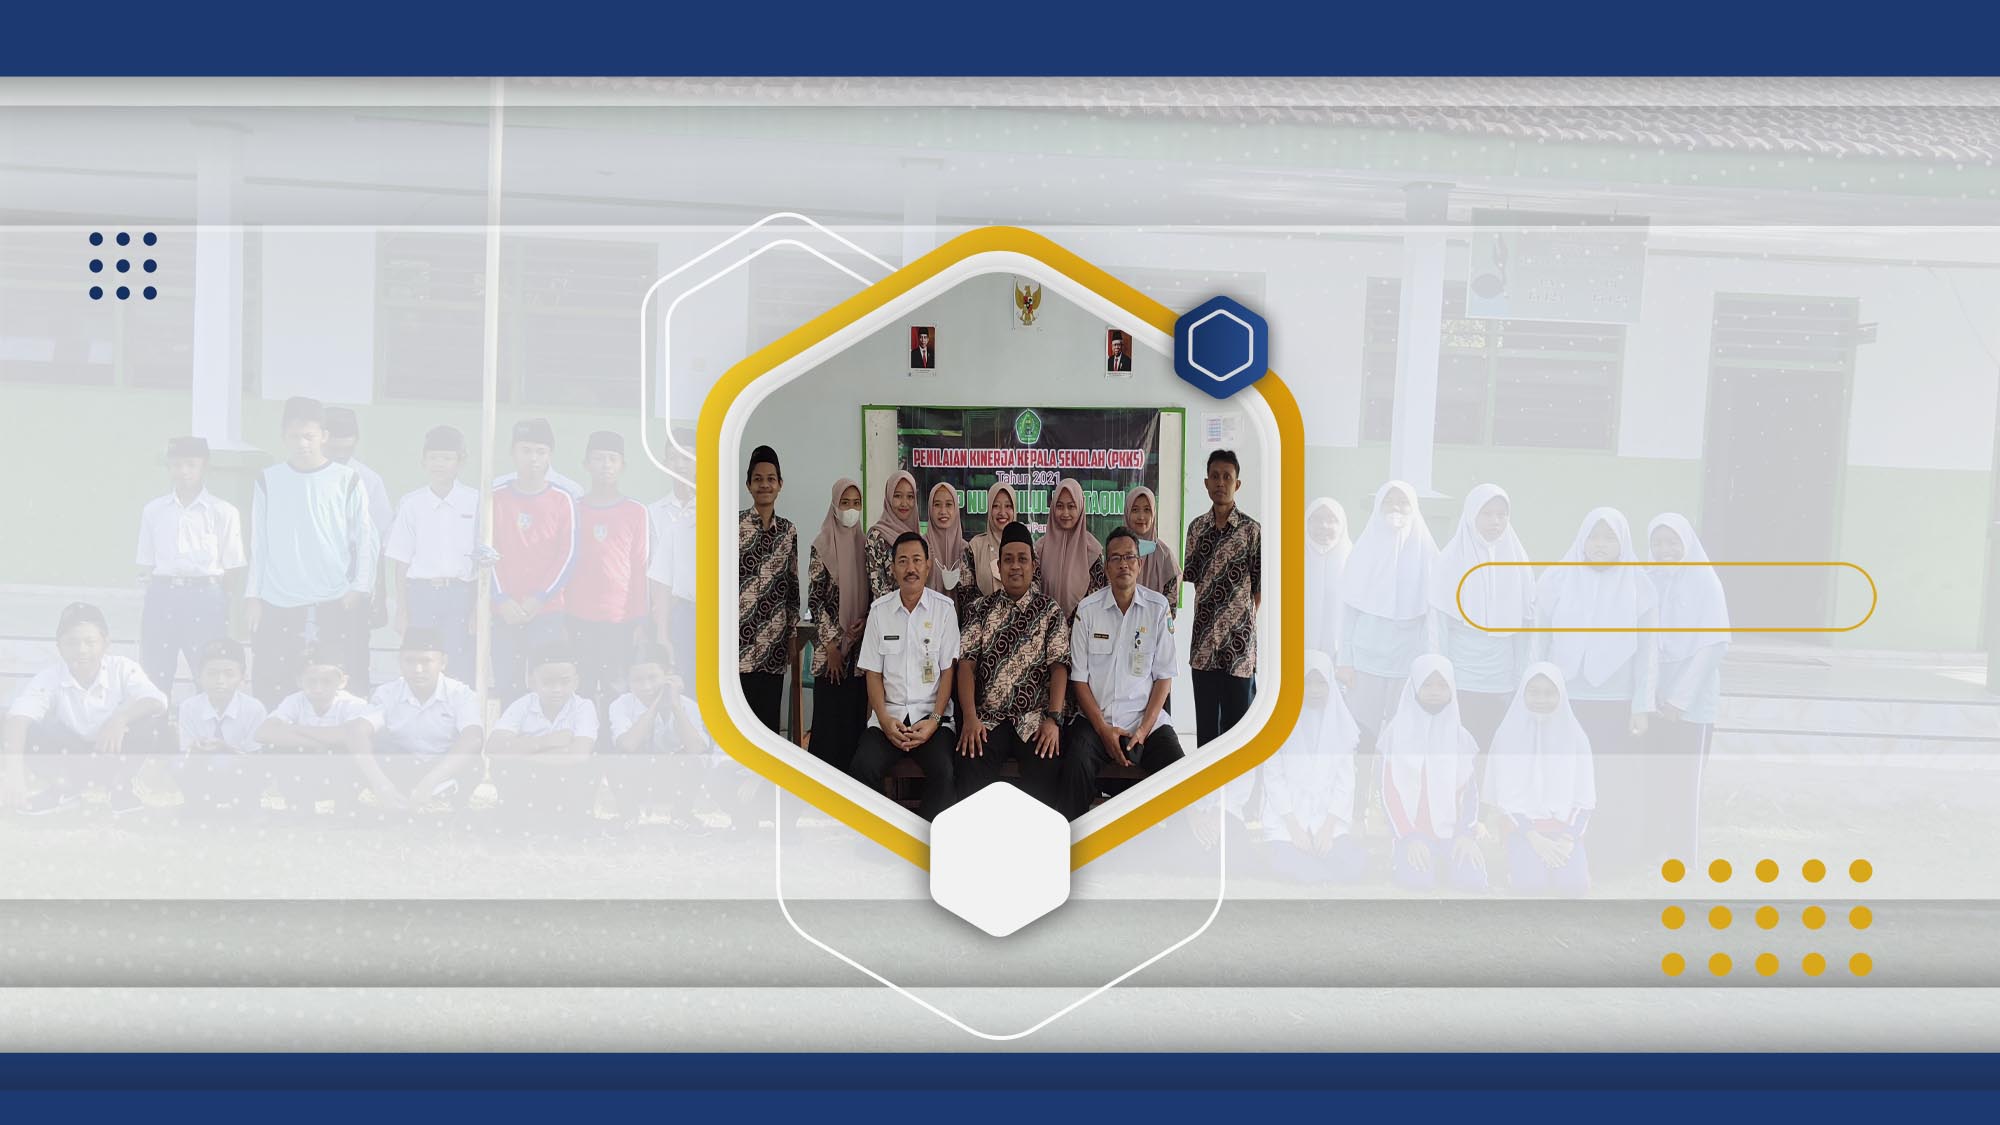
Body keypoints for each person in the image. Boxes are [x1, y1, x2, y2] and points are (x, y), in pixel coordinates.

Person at [1533, 508, 1658, 879]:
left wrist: (1641, 705)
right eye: (1594, 536)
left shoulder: (1639, 585)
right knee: (1563, 777)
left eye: (1609, 538)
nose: (1600, 545)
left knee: (1610, 780)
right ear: (1582, 539)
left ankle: (1610, 856)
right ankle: (1560, 851)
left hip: (1615, 702)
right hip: (1563, 699)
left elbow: (1648, 651)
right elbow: (1538, 640)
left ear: (1623, 543)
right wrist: (1535, 693)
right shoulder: (1556, 578)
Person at [244, 396, 379, 705]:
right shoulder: (268, 480)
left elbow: (365, 537)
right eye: (294, 436)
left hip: (334, 598)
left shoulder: (347, 479)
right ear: (283, 437)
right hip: (278, 598)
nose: (302, 443)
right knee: (275, 686)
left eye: (309, 436)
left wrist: (360, 587)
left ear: (323, 436)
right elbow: (259, 543)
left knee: (337, 689)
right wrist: (253, 595)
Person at [1060, 526, 1183, 818]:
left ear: (1139, 564)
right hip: (1096, 722)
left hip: (1146, 724)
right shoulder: (1087, 610)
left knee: (1180, 775)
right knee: (1074, 766)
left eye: (1129, 557)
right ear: (1106, 567)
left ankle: (1172, 843)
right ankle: (1070, 842)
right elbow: (1079, 680)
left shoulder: (1157, 608)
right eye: (1115, 558)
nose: (1123, 564)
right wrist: (1103, 730)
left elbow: (1163, 678)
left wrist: (1142, 730)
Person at [2, 602, 168, 816]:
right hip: (71, 758)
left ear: (106, 643)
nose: (81, 650)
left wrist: (120, 719)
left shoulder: (122, 668)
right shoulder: (50, 677)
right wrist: (13, 771)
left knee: (150, 723)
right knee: (27, 730)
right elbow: (18, 717)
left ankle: (120, 788)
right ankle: (64, 791)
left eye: (90, 642)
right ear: (59, 647)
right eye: (71, 643)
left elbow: (156, 700)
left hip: (113, 753)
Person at [955, 523, 1070, 810]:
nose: (1015, 566)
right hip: (987, 720)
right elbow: (966, 666)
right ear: (998, 567)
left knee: (1048, 763)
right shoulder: (979, 609)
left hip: (1033, 719)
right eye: (1008, 559)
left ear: (1033, 565)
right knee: (969, 760)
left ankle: (1036, 837)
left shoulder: (1050, 610)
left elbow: (1059, 667)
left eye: (1022, 559)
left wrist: (1053, 720)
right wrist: (969, 718)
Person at [849, 532, 961, 820]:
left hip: (932, 719)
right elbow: (872, 673)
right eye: (903, 561)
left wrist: (934, 721)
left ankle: (925, 837)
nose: (911, 568)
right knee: (863, 767)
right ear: (893, 568)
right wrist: (885, 722)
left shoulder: (944, 610)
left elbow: (948, 672)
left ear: (928, 566)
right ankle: (883, 835)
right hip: (889, 718)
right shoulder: (879, 612)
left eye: (917, 560)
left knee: (945, 771)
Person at [1645, 513, 1730, 866]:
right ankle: (1650, 850)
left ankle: (1683, 857)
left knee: (1684, 783)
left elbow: (1714, 644)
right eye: (1657, 543)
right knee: (1653, 781)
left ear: (1687, 544)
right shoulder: (1648, 580)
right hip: (1653, 700)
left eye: (1672, 542)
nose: (1665, 550)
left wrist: (1680, 700)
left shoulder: (1705, 581)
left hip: (1691, 706)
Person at [135, 436, 245, 697]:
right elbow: (148, 563)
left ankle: (208, 722)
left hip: (206, 596)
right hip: (163, 594)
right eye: (176, 465)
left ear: (204, 466)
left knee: (207, 668)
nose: (183, 471)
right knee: (155, 670)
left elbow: (232, 567)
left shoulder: (223, 511)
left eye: (190, 464)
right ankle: (156, 722)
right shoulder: (154, 510)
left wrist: (219, 599)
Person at [1431, 484, 1534, 755]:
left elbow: (1525, 629)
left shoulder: (1518, 560)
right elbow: (1438, 628)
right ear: (1471, 515)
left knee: (1495, 755)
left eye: (1502, 514)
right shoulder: (1449, 561)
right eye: (1486, 514)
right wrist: (1441, 678)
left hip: (1503, 682)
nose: (1495, 521)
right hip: (1461, 680)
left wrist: (1521, 676)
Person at [1337, 481, 1437, 742]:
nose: (1396, 508)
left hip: (1408, 660)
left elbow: (1433, 616)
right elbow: (1348, 612)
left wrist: (1429, 661)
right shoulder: (1362, 552)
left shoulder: (1427, 552)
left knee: (1402, 733)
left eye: (1403, 502)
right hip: (1365, 660)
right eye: (1389, 502)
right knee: (1362, 732)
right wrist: (1345, 661)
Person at [1379, 654, 1487, 892]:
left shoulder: (1461, 738)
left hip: (1452, 834)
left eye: (1442, 685)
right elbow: (1388, 792)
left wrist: (1465, 834)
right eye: (1427, 685)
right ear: (1414, 686)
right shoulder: (1395, 734)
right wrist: (1409, 836)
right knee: (1417, 883)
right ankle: (1414, 862)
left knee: (1473, 882)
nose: (1434, 692)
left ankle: (1445, 864)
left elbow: (1470, 793)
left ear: (1452, 689)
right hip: (1412, 833)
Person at [1485, 663, 1596, 896]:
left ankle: (1565, 866)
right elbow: (1505, 798)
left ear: (1561, 695)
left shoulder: (1576, 737)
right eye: (1534, 692)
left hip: (1564, 828)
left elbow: (1585, 797)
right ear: (1522, 694)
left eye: (1549, 693)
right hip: (1521, 827)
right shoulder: (1507, 735)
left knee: (1574, 887)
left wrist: (1568, 838)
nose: (1541, 699)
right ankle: (1516, 865)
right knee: (1530, 886)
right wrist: (1534, 838)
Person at [1257, 651, 1365, 884]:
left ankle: (1316, 863)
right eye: (1308, 682)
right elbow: (1274, 780)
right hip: (1287, 822)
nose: (1314, 690)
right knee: (1297, 868)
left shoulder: (1342, 730)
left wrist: (1327, 829)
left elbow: (1345, 785)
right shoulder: (1278, 725)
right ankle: (1311, 867)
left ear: (1331, 685)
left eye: (1321, 683)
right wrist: (1294, 829)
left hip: (1326, 821)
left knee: (1354, 866)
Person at [491, 418, 578, 701]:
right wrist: (501, 599)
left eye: (541, 451)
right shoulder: (495, 497)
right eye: (526, 450)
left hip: (547, 611)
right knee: (508, 686)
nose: (533, 458)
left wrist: (539, 598)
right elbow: (485, 553)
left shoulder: (563, 499)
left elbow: (567, 555)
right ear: (513, 453)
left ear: (550, 455)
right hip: (504, 611)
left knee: (548, 686)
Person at [384, 425, 478, 681]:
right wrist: (402, 610)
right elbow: (401, 561)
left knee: (460, 664)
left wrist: (478, 609)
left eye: (447, 458)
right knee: (421, 662)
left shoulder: (476, 502)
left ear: (460, 462)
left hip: (461, 594)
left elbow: (485, 562)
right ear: (423, 461)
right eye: (433, 457)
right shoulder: (411, 504)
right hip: (421, 595)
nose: (439, 464)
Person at [567, 432, 650, 716]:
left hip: (620, 619)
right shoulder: (573, 509)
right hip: (578, 616)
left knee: (618, 689)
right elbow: (563, 562)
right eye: (598, 458)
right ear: (586, 464)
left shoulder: (636, 511)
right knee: (582, 688)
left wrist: (640, 620)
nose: (605, 465)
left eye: (612, 459)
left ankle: (613, 740)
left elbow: (640, 567)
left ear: (622, 465)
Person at [1183, 450, 1262, 747]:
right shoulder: (1196, 529)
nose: (1220, 482)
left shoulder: (1251, 531)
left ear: (1237, 484)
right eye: (1214, 476)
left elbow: (1258, 588)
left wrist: (1237, 622)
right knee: (1206, 733)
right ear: (1205, 483)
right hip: (1204, 647)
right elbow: (1193, 580)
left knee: (1238, 733)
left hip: (1239, 650)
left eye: (1227, 477)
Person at [610, 644, 734, 831]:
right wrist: (656, 703)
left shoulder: (688, 705)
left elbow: (697, 749)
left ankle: (681, 815)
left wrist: (675, 706)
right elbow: (628, 745)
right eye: (637, 680)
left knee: (695, 760)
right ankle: (628, 816)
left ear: (668, 675)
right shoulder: (621, 704)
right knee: (618, 759)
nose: (646, 686)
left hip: (675, 775)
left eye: (653, 678)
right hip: (639, 774)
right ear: (628, 680)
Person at [359, 628, 484, 811]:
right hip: (403, 765)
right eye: (409, 661)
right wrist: (380, 783)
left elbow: (473, 738)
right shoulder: (386, 693)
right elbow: (358, 732)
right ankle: (404, 801)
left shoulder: (460, 694)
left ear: (443, 662)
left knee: (473, 762)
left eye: (426, 661)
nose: (418, 670)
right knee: (367, 749)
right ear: (399, 662)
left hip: (444, 765)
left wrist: (430, 781)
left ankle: (447, 804)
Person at [486, 643, 601, 828]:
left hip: (565, 782)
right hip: (531, 781)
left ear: (576, 682)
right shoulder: (522, 705)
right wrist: (546, 741)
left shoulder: (584, 707)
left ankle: (572, 821)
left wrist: (521, 753)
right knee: (501, 765)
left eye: (565, 682)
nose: (557, 689)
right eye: (548, 683)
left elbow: (579, 754)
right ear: (532, 683)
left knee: (591, 763)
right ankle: (520, 819)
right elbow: (493, 747)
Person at [255, 643, 374, 816]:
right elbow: (263, 733)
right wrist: (319, 743)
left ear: (342, 682)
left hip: (339, 769)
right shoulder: (295, 701)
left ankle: (345, 805)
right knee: (276, 749)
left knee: (351, 751)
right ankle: (300, 805)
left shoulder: (353, 705)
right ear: (299, 681)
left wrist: (294, 729)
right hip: (307, 768)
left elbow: (351, 736)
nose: (318, 688)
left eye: (326, 681)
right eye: (311, 681)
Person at [805, 478, 870, 773]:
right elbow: (815, 600)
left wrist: (865, 623)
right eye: (845, 503)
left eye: (856, 503)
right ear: (834, 505)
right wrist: (832, 646)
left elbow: (873, 593)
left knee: (854, 724)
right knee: (829, 725)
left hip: (860, 650)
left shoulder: (866, 545)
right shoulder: (821, 546)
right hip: (830, 653)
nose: (851, 509)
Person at [323, 406, 394, 673]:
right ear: (322, 439)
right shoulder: (303, 477)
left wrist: (379, 592)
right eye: (335, 449)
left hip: (354, 577)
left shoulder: (369, 480)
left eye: (347, 449)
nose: (341, 456)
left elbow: (381, 539)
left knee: (354, 651)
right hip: (312, 578)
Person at [738, 444, 799, 737]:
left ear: (780, 484)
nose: (765, 485)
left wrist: (791, 635)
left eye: (771, 479)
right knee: (740, 725)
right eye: (758, 479)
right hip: (738, 644)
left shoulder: (788, 531)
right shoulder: (732, 525)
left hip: (774, 645)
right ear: (748, 485)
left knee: (769, 727)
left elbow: (792, 585)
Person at [174, 637, 268, 815]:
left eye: (229, 674)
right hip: (204, 770)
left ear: (243, 677)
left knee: (231, 764)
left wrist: (225, 748)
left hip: (242, 774)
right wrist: (196, 749)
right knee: (176, 764)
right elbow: (186, 752)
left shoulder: (254, 708)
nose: (220, 680)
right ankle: (199, 803)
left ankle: (247, 803)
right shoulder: (189, 707)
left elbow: (256, 759)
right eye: (212, 673)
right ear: (199, 676)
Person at [647, 439, 699, 671]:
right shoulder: (661, 517)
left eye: (686, 458)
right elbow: (659, 577)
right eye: (673, 458)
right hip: (679, 612)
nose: (680, 465)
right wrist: (661, 630)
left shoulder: (722, 515)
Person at [1036, 477, 1106, 619]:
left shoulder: (1092, 550)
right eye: (1060, 506)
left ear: (1080, 507)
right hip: (1045, 625)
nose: (1065, 513)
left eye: (1071, 506)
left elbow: (1099, 597)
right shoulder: (1039, 549)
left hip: (1083, 626)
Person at [958, 481, 1020, 622]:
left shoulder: (1025, 547)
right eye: (995, 506)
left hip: (1020, 626)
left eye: (1008, 506)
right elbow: (965, 594)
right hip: (981, 626)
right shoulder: (975, 547)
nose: (1002, 512)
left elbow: (1033, 590)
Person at [1302, 497, 1352, 660]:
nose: (1324, 526)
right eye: (1317, 519)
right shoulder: (1291, 559)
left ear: (1342, 525)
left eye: (1331, 520)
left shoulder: (1354, 560)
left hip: (1342, 655)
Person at [865, 469, 921, 600]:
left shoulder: (917, 536)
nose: (904, 503)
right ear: (889, 497)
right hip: (888, 610)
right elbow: (878, 588)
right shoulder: (876, 537)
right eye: (897, 496)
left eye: (910, 497)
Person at [1124, 485, 1181, 608]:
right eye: (1135, 510)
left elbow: (1170, 607)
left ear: (1154, 513)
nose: (1141, 517)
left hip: (1156, 619)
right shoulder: (1117, 550)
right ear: (1127, 512)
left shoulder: (1164, 555)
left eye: (1147, 510)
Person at [924, 482, 969, 598]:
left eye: (948, 504)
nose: (943, 511)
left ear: (956, 509)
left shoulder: (966, 549)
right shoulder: (921, 546)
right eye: (937, 504)